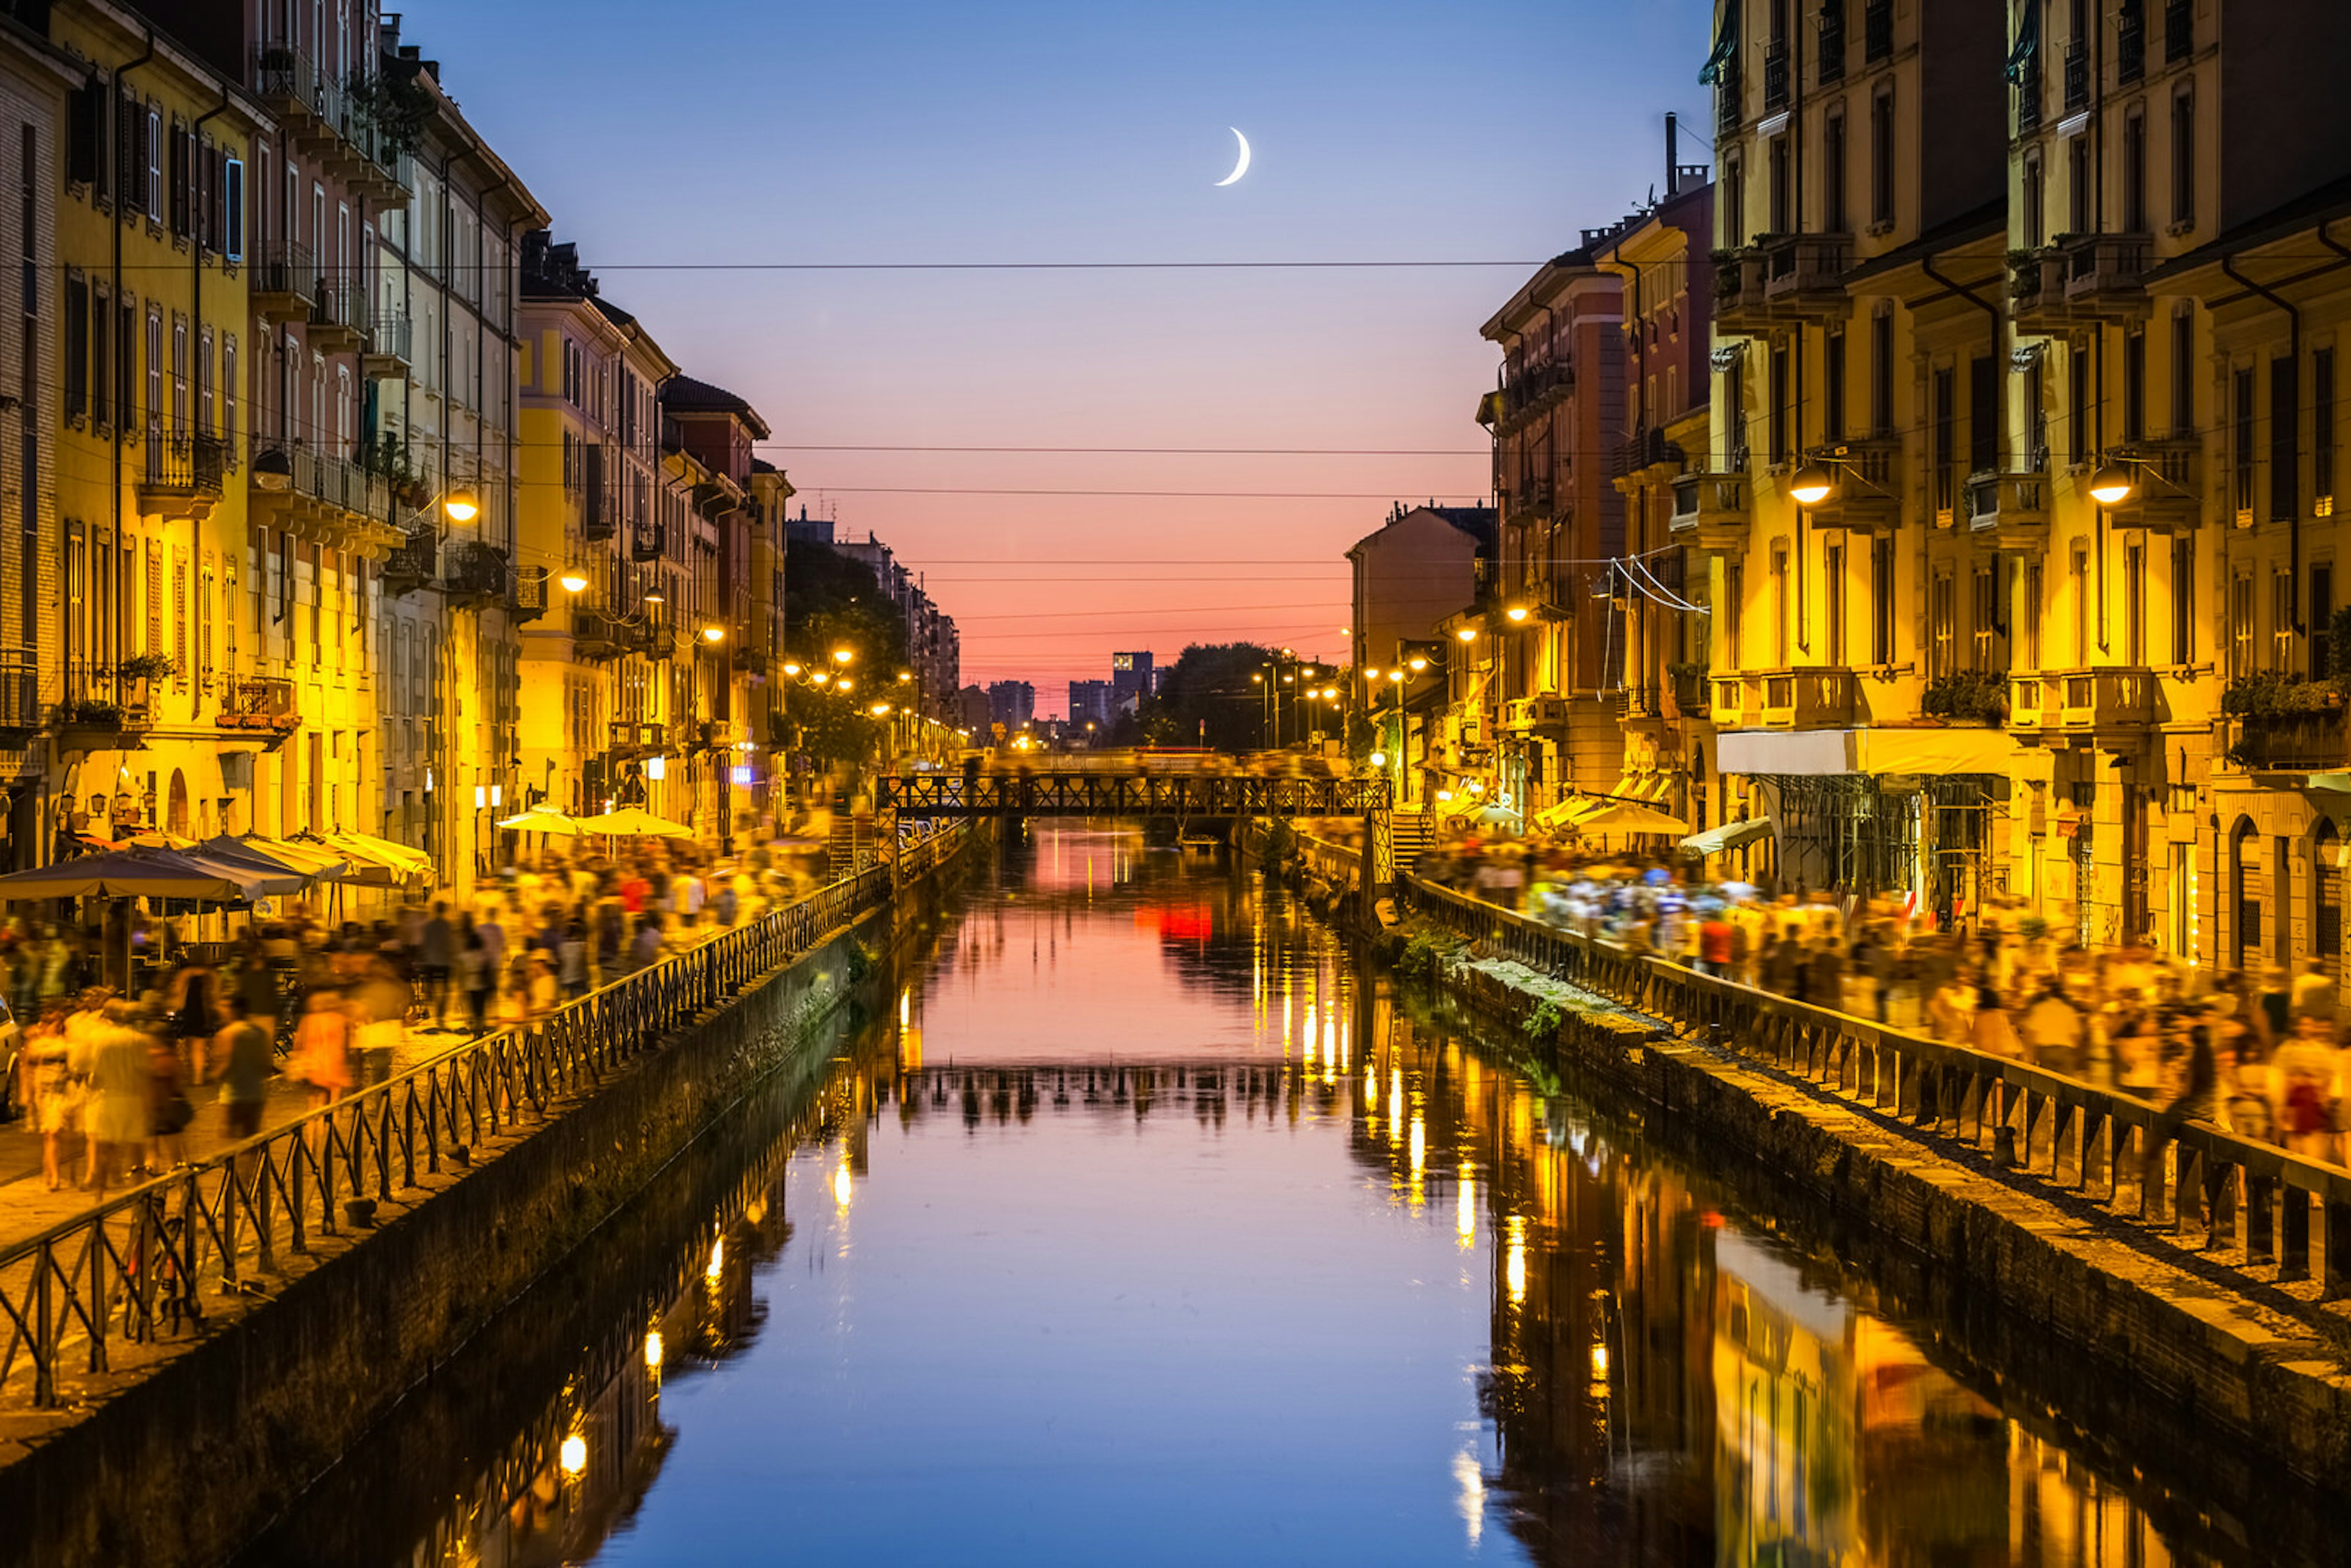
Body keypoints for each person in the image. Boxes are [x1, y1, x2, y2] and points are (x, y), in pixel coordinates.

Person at [78, 999, 152, 1198]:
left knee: (104, 1150)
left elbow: (96, 1076)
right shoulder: (139, 1040)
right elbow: (145, 1073)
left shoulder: (103, 1041)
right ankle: (139, 1196)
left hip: (109, 1099)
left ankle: (99, 1197)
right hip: (133, 1099)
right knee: (136, 1151)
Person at [21, 1000, 78, 1191]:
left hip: (61, 1091)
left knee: (54, 1133)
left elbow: (73, 1067)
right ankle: (52, 1173)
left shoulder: (66, 1043)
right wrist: (26, 1092)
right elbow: (26, 1067)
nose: (55, 1026)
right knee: (50, 1134)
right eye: (52, 1022)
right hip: (43, 1092)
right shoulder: (36, 1043)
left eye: (58, 1022)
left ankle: (52, 1174)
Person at [209, 992, 272, 1141]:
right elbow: (265, 1065)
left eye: (224, 1006)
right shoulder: (259, 1033)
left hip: (233, 1095)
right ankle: (250, 1166)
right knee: (251, 1139)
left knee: (229, 1139)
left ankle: (235, 1166)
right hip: (256, 1093)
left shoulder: (227, 1034)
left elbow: (225, 1065)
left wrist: (212, 1076)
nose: (220, 1009)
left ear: (234, 1010)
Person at [418, 900, 455, 1031]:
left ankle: (435, 1014)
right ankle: (441, 1015)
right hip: (445, 961)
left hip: (431, 961)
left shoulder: (429, 926)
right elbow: (451, 944)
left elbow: (424, 943)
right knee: (445, 991)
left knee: (432, 990)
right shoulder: (448, 926)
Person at [457, 926, 492, 1035]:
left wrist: (460, 987)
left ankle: (475, 1029)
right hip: (482, 985)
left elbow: (461, 972)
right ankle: (480, 1029)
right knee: (480, 1010)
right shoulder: (483, 955)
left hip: (469, 985)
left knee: (472, 1009)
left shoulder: (465, 957)